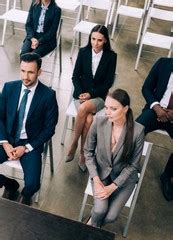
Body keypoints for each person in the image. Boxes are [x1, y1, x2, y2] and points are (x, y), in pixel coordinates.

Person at [0, 53, 59, 206]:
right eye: (22, 71)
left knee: (33, 184)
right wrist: (5, 143)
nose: (25, 76)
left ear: (39, 72)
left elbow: (49, 128)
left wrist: (25, 148)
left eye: (31, 72)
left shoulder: (48, 96)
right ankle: (10, 184)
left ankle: (25, 195)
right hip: (7, 139)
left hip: (30, 143)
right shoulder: (9, 88)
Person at [84, 89, 145, 228]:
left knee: (111, 217)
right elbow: (88, 151)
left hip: (124, 179)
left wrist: (112, 187)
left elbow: (133, 165)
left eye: (113, 108)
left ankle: (93, 224)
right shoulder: (98, 121)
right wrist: (96, 179)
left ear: (125, 109)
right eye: (106, 107)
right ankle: (92, 225)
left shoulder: (138, 131)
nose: (107, 112)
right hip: (101, 173)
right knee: (100, 210)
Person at [65, 25, 117, 172]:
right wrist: (81, 92)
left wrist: (91, 94)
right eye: (93, 39)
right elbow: (75, 76)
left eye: (100, 40)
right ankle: (83, 154)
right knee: (88, 120)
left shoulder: (111, 57)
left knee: (84, 108)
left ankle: (74, 144)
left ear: (105, 40)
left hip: (98, 97)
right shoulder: (83, 52)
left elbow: (108, 83)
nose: (96, 43)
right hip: (81, 95)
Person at [136, 57, 173, 201]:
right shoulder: (163, 63)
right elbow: (146, 88)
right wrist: (157, 107)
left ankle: (167, 176)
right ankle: (129, 166)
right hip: (155, 109)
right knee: (134, 130)